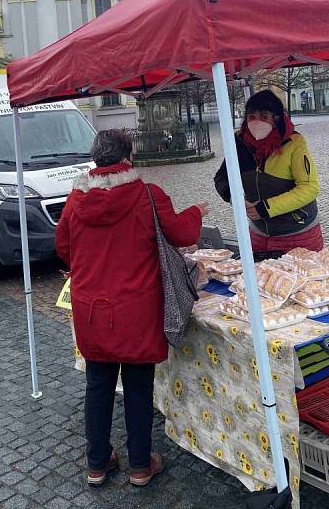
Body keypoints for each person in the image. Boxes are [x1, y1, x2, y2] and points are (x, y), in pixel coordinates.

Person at [56, 129, 208, 488]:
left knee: (98, 385)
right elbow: (182, 234)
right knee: (138, 387)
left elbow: (63, 246)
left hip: (92, 308)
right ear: (128, 158)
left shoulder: (76, 198)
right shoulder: (147, 195)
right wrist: (197, 212)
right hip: (136, 310)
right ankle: (140, 465)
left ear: (96, 160)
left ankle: (97, 462)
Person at [214, 89, 322, 257]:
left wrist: (265, 208)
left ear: (275, 119)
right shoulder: (239, 142)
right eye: (251, 117)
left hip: (296, 233)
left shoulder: (294, 143)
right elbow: (222, 178)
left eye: (263, 117)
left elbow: (309, 187)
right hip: (258, 233)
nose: (256, 122)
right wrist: (234, 198)